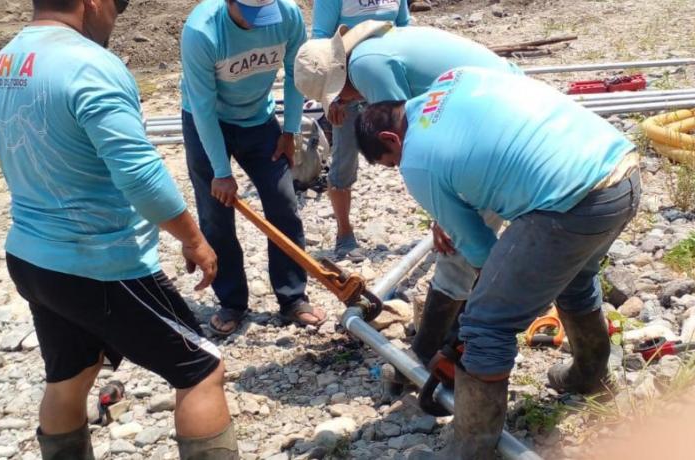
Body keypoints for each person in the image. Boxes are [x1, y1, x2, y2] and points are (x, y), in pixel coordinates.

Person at [0, 0, 237, 458]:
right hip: (98, 263)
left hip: (31, 258)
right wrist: (194, 239)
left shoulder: (2, 63)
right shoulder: (89, 64)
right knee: (201, 370)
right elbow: (140, 176)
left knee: (70, 376)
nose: (116, 17)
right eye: (116, 6)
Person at [355, 67, 641, 458]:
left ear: (391, 139)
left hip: (574, 203)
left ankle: (470, 449)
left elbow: (478, 248)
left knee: (487, 323)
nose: (398, 168)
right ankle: (590, 375)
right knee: (574, 278)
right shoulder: (454, 78)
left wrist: (484, 312)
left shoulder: (416, 160)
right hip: (620, 170)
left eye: (391, 161)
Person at [295, 22, 523, 378]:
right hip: (500, 99)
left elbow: (408, 142)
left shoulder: (366, 67)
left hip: (497, 114)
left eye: (341, 96)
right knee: (466, 236)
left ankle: (429, 354)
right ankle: (461, 329)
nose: (347, 102)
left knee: (457, 244)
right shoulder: (372, 49)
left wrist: (441, 215)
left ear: (339, 80)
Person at [181, 0, 326, 335]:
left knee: (283, 202)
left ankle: (293, 298)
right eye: (250, 16)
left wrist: (290, 131)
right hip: (206, 120)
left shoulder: (287, 15)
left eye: (264, 15)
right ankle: (232, 302)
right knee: (216, 214)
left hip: (258, 119)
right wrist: (221, 171)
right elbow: (202, 106)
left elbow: (296, 74)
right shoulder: (202, 32)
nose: (258, 25)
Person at [310, 2, 409, 261]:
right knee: (344, 159)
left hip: (385, 77)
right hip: (346, 87)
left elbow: (404, 28)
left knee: (412, 145)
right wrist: (330, 97)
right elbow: (320, 43)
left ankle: (441, 220)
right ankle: (344, 233)